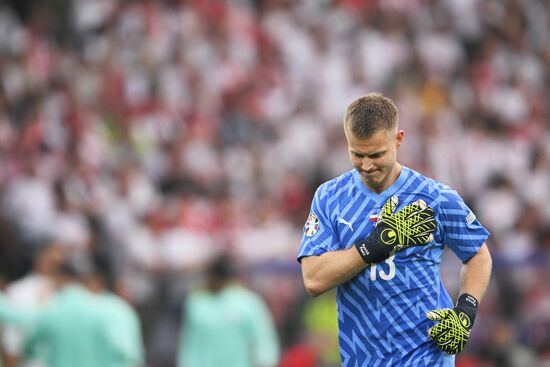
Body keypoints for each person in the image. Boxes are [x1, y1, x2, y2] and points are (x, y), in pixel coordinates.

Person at [297, 93, 492, 366]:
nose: (367, 165)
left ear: (398, 139)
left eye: (376, 154)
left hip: (426, 356)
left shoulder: (434, 197)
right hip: (362, 358)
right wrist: (375, 246)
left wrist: (466, 311)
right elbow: (313, 279)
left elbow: (478, 256)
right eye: (357, 154)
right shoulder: (330, 197)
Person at [177, 254, 280, 367]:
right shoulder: (197, 303)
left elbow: (262, 338)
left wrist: (265, 361)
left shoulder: (246, 302)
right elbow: (191, 344)